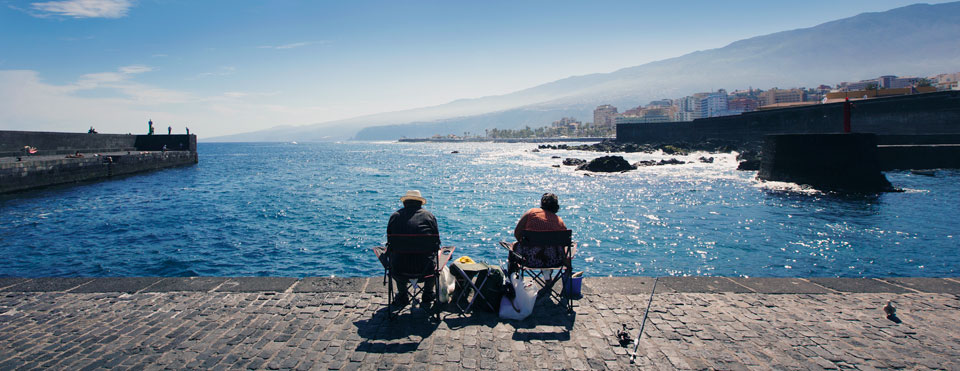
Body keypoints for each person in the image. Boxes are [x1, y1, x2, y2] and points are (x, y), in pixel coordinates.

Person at [386, 190, 439, 308]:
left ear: (405, 203)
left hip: (399, 270)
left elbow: (390, 242)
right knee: (435, 259)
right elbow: (436, 244)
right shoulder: (429, 217)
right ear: (420, 204)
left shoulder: (395, 217)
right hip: (426, 271)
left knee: (395, 256)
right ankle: (428, 294)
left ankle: (403, 295)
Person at [509, 193, 568, 273]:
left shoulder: (531, 213)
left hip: (529, 260)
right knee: (549, 249)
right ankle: (548, 280)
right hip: (553, 261)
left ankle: (513, 278)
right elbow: (564, 244)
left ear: (542, 203)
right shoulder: (560, 222)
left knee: (513, 246)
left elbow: (517, 233)